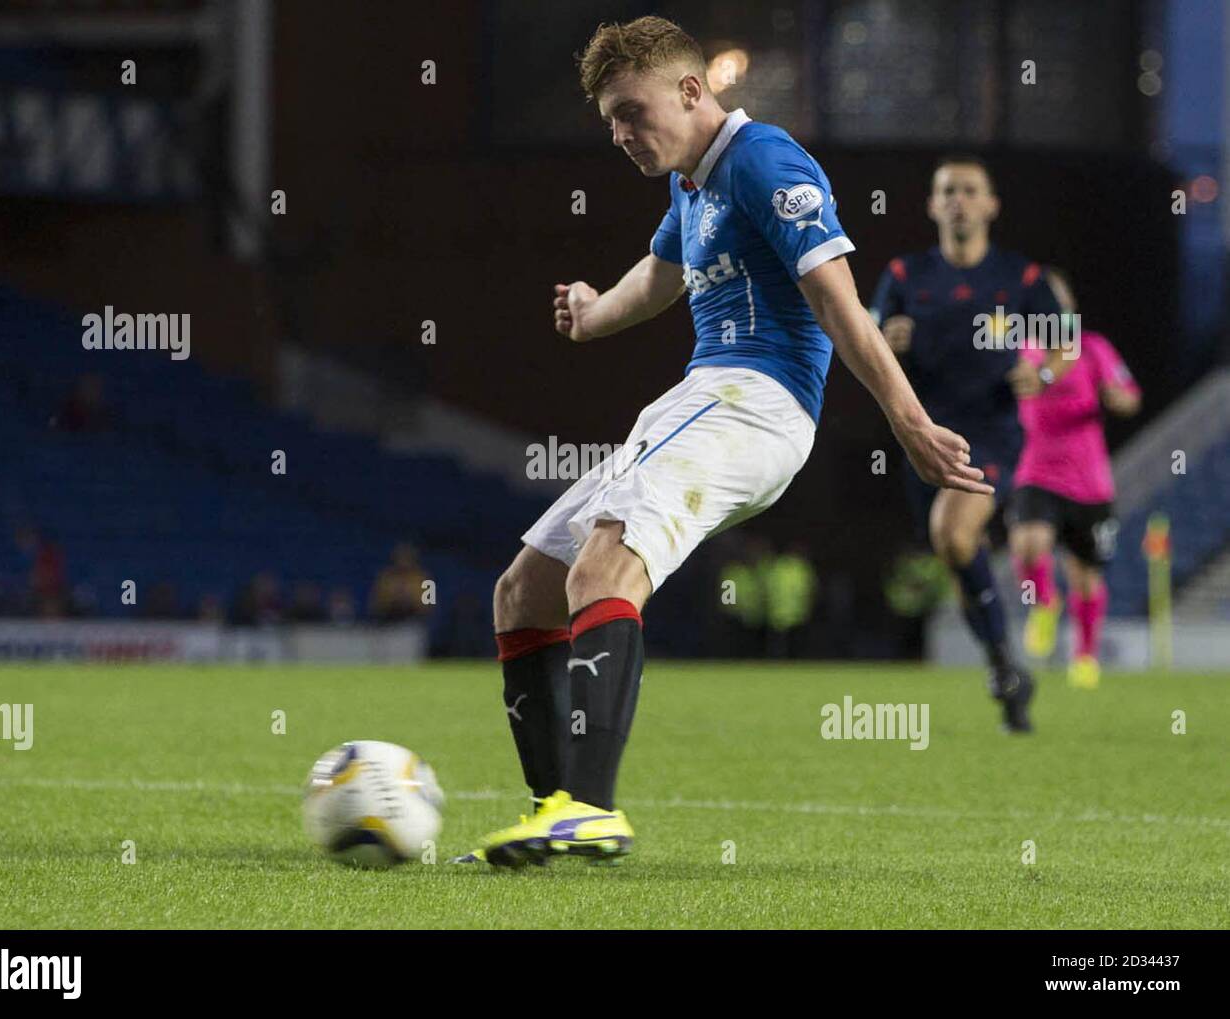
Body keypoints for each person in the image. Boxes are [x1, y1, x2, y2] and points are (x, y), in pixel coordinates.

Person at [466, 16, 991, 868]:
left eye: (632, 113)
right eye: (609, 123)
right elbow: (662, 275)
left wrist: (908, 419)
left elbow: (838, 303)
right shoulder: (692, 181)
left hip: (756, 401)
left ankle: (589, 809)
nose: (623, 136)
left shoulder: (764, 161)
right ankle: (553, 811)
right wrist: (596, 311)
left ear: (690, 90)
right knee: (525, 591)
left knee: (605, 566)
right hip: (699, 401)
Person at [870, 153, 1062, 733]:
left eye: (969, 189)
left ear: (990, 205)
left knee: (953, 534)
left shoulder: (1021, 277)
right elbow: (865, 343)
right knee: (957, 558)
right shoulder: (904, 277)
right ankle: (1006, 667)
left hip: (992, 432)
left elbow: (1064, 343)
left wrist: (1045, 373)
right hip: (923, 435)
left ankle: (1005, 663)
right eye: (947, 190)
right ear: (933, 205)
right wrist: (885, 339)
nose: (958, 199)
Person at [1007, 268, 1141, 689]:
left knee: (1086, 575)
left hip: (1089, 481)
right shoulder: (1025, 349)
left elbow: (1129, 396)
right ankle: (1045, 603)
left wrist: (1117, 398)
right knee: (1028, 544)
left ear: (1069, 307)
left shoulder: (1094, 349)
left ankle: (1084, 656)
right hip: (1038, 470)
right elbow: (1013, 383)